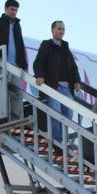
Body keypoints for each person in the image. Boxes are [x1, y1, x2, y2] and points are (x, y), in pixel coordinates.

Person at [32, 20, 82, 152]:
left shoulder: (65, 47)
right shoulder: (47, 45)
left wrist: (77, 81)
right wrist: (39, 75)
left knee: (67, 116)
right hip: (53, 87)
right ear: (52, 30)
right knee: (55, 114)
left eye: (63, 29)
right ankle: (57, 142)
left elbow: (73, 66)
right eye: (59, 29)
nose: (62, 31)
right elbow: (38, 62)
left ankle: (63, 142)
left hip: (67, 88)